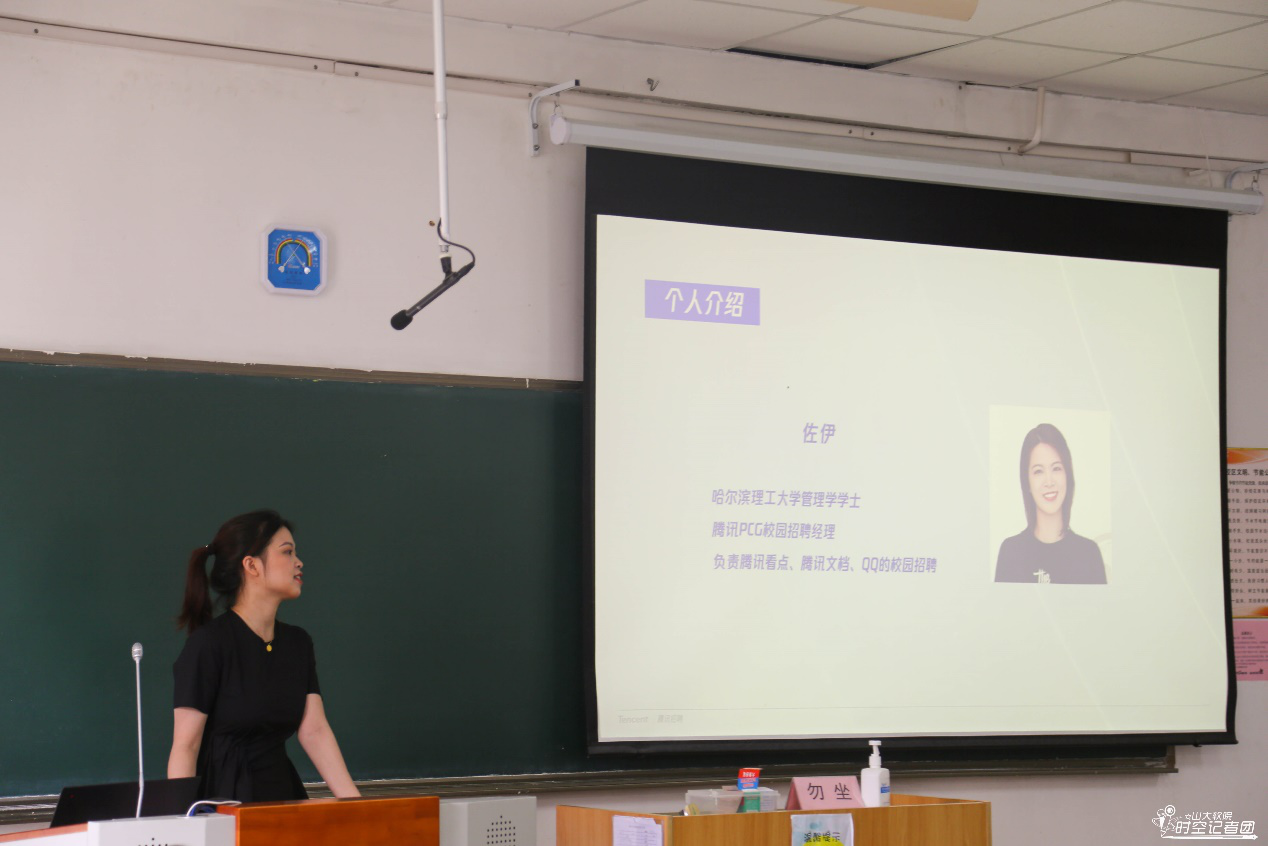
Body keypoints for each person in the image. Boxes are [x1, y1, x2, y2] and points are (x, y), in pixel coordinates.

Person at [167, 509, 360, 801]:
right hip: (222, 803)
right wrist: (184, 819)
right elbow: (186, 746)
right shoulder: (209, 644)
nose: (299, 562)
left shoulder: (297, 643)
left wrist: (356, 806)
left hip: (281, 798)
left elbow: (315, 731)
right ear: (252, 565)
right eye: (287, 552)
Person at [994, 423, 1106, 584]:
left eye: (1056, 468)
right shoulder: (1011, 552)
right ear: (1027, 482)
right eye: (1038, 471)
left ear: (1067, 475)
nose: (1049, 481)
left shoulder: (1089, 554)